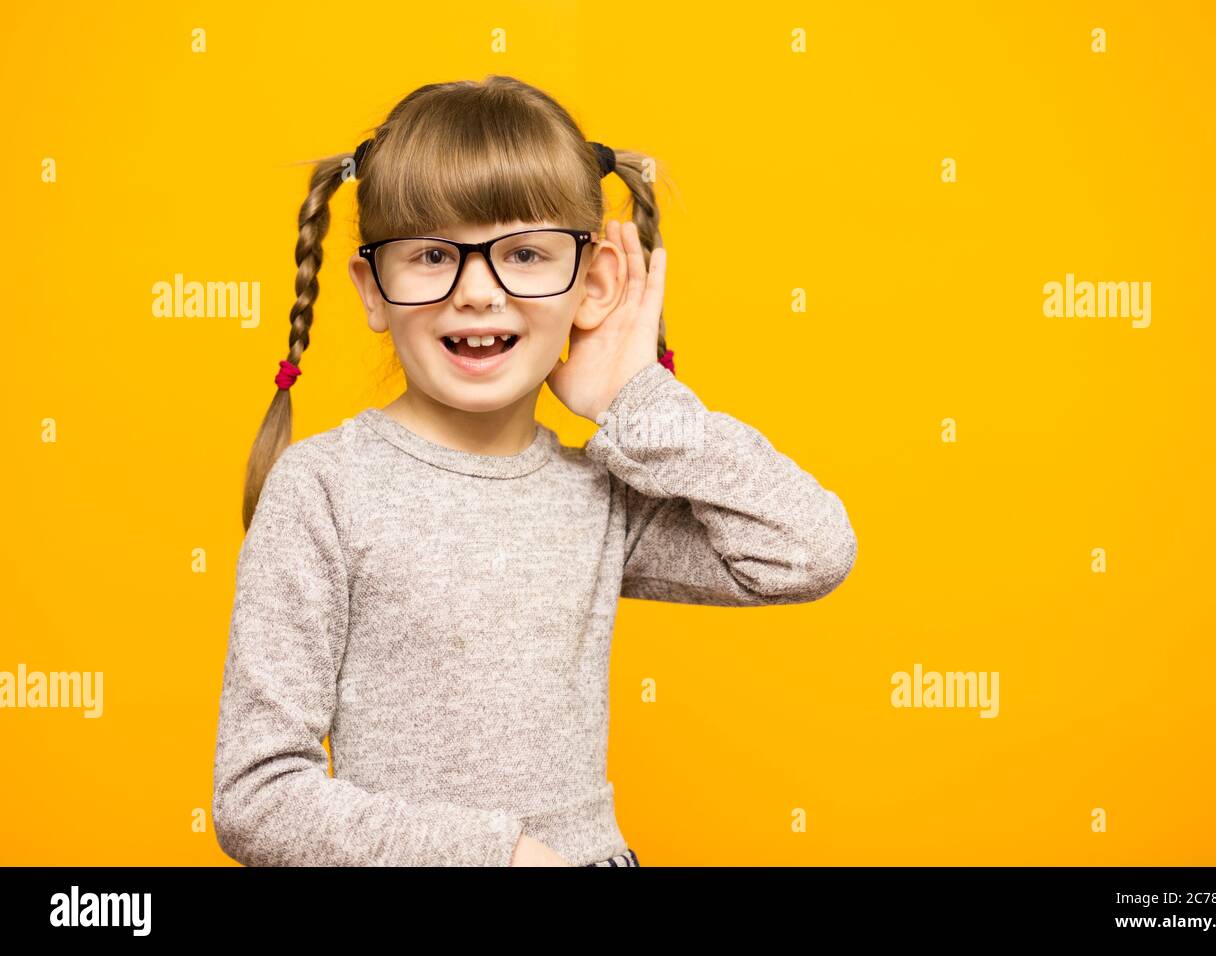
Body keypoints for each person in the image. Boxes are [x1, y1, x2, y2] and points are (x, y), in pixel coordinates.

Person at [211, 75, 858, 867]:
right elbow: (258, 797)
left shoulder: (604, 494)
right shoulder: (324, 490)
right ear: (371, 287)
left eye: (524, 254)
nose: (478, 292)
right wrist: (502, 855)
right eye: (431, 255)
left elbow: (808, 550)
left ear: (593, 282)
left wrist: (632, 399)